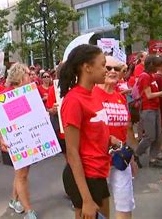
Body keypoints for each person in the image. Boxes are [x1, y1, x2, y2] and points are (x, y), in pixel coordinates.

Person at [59, 44, 120, 219]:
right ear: (87, 67)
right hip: (86, 177)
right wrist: (86, 199)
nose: (106, 71)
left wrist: (110, 139)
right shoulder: (73, 101)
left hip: (99, 172)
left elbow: (92, 132)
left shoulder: (94, 94)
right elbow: (72, 152)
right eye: (102, 65)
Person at [92, 56, 137, 219]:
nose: (112, 71)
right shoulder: (91, 94)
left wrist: (131, 159)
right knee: (100, 207)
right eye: (108, 67)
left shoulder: (121, 97)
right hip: (97, 160)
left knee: (125, 203)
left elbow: (125, 130)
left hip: (119, 159)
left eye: (116, 69)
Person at [0, 63, 37, 219]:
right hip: (15, 140)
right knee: (22, 174)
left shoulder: (29, 93)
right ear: (20, 76)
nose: (31, 77)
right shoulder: (6, 94)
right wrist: (1, 138)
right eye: (28, 74)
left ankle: (14, 200)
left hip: (28, 138)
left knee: (22, 173)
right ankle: (28, 210)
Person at [134, 55, 162, 169]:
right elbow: (149, 95)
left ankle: (153, 159)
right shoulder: (145, 76)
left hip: (155, 108)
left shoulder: (150, 76)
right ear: (152, 65)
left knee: (157, 136)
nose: (159, 67)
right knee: (150, 136)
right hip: (148, 109)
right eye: (158, 65)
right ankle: (136, 154)